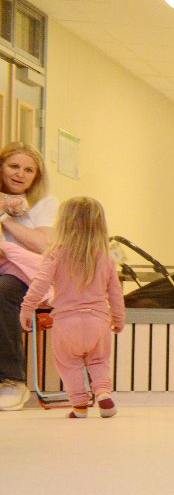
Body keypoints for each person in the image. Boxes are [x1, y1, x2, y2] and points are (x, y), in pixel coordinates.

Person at [18, 196, 123, 419]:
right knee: (99, 361)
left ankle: (80, 406)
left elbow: (39, 284)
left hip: (66, 323)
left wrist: (27, 308)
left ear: (63, 223)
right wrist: (118, 318)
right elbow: (116, 294)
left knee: (69, 364)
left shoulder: (56, 254)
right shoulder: (106, 257)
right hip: (98, 322)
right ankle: (103, 393)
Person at [0, 142, 57, 411]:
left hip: (27, 274)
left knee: (2, 291)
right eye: (14, 166)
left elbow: (43, 245)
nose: (20, 174)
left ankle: (12, 381)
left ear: (37, 176)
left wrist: (4, 217)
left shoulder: (45, 204)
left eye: (28, 170)